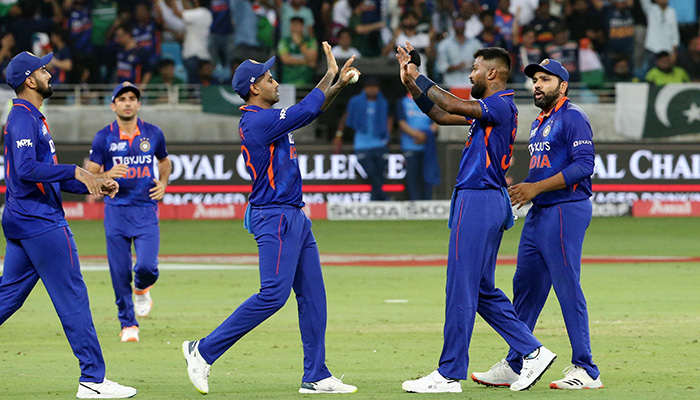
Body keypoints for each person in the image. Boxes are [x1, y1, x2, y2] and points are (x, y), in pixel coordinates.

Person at [182, 42, 360, 395]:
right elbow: (306, 107)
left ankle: (316, 375)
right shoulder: (257, 121)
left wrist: (337, 86)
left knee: (313, 297)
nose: (276, 83)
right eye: (269, 78)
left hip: (294, 215)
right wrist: (328, 76)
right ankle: (202, 351)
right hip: (274, 216)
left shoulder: (269, 119)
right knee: (272, 295)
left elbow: (310, 113)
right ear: (254, 87)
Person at [396, 43, 556, 393]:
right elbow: (439, 115)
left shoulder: (498, 103)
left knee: (459, 286)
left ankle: (450, 373)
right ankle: (533, 351)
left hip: (479, 198)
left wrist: (419, 76)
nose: (470, 74)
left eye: (474, 68)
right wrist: (410, 82)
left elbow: (451, 103)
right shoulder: (493, 108)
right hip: (485, 200)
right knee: (482, 290)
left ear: (492, 74)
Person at [0, 51, 136, 399]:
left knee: (7, 298)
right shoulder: (21, 118)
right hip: (41, 222)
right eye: (43, 69)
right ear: (29, 80)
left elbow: (49, 177)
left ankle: (93, 377)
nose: (49, 73)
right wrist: (76, 170)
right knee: (73, 297)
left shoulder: (33, 117)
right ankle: (92, 379)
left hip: (26, 220)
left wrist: (96, 179)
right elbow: (28, 170)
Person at [471, 58, 602, 390]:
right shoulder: (540, 121)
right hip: (541, 211)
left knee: (566, 285)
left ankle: (586, 369)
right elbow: (546, 169)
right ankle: (518, 362)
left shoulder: (572, 117)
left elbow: (585, 166)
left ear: (563, 86)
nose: (538, 85)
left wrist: (534, 188)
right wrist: (524, 186)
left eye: (546, 79)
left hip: (565, 209)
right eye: (535, 80)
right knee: (525, 287)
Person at [87, 82, 172, 343]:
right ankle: (128, 324)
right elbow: (90, 175)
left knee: (147, 266)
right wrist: (105, 176)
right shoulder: (104, 137)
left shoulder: (153, 133)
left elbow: (164, 161)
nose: (127, 102)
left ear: (138, 104)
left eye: (132, 98)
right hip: (116, 210)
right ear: (113, 105)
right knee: (119, 271)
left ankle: (142, 287)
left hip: (146, 208)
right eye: (122, 98)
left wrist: (164, 184)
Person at [335, 77, 391, 201]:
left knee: (380, 173)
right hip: (362, 144)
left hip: (379, 143)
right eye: (369, 86)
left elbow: (388, 120)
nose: (372, 89)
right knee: (370, 173)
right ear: (365, 88)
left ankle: (374, 198)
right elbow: (346, 117)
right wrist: (339, 135)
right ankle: (383, 198)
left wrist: (387, 137)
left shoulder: (383, 102)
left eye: (375, 86)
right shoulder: (355, 101)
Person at [396, 92, 440, 200]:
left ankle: (427, 201)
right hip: (410, 145)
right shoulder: (403, 102)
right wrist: (417, 135)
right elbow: (401, 123)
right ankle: (414, 201)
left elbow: (437, 120)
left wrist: (425, 135)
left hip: (428, 146)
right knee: (412, 176)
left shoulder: (428, 100)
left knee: (428, 174)